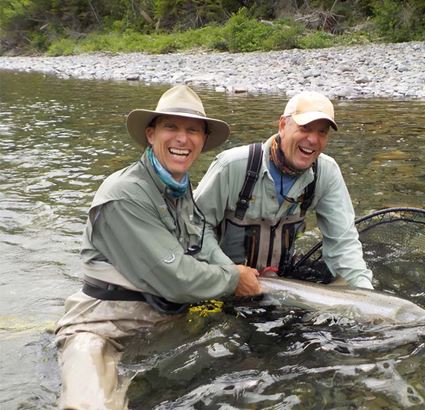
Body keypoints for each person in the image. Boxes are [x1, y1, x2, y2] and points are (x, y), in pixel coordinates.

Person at [55, 85, 261, 409]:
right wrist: (233, 279)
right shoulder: (123, 194)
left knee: (247, 362)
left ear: (203, 140)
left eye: (193, 130)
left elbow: (203, 236)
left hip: (159, 323)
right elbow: (177, 278)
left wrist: (227, 267)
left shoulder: (178, 186)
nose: (183, 139)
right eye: (171, 127)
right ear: (150, 134)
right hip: (102, 330)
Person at [194, 91, 373, 289]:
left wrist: (365, 294)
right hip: (223, 281)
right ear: (282, 125)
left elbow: (343, 243)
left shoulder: (327, 172)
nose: (313, 139)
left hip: (282, 281)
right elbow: (194, 227)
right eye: (305, 128)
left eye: (322, 132)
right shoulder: (232, 165)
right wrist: (230, 272)